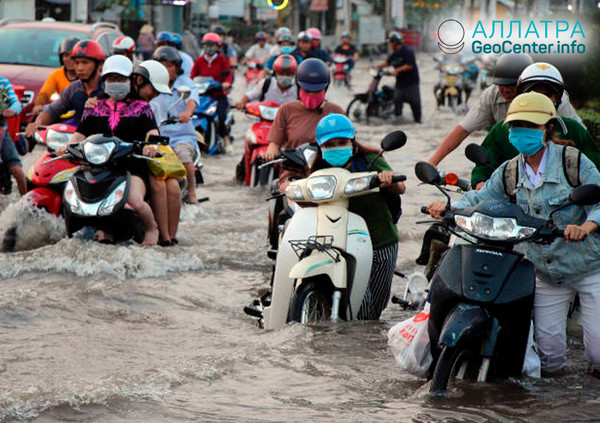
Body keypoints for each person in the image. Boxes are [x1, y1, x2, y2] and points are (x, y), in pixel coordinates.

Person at [428, 92, 600, 377]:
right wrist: (448, 207)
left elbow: (598, 199)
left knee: (597, 355)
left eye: (530, 126)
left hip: (588, 267)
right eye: (515, 126)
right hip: (544, 272)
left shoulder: (573, 162)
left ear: (548, 128)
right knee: (550, 359)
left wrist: (585, 227)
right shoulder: (508, 171)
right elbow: (481, 198)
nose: (521, 132)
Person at [312, 113, 405, 319]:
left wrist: (388, 180)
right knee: (360, 310)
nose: (337, 147)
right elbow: (307, 199)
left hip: (381, 241)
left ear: (352, 141)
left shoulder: (371, 161)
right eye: (330, 144)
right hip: (343, 246)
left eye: (342, 142)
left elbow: (401, 188)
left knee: (375, 312)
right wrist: (288, 187)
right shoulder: (318, 171)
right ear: (320, 147)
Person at [61, 55, 160, 245]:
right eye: (111, 79)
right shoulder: (93, 106)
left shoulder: (142, 107)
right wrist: (66, 147)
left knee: (135, 201)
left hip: (131, 165)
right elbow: (80, 134)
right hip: (97, 166)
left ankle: (151, 227)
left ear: (130, 80)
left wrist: (152, 146)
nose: (115, 83)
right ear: (104, 81)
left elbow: (152, 132)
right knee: (71, 192)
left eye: (120, 79)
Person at [428, 53, 584, 167]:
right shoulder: (492, 96)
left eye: (511, 85)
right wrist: (433, 162)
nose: (505, 90)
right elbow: (463, 129)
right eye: (501, 85)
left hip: (550, 162)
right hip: (508, 164)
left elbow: (580, 138)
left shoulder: (552, 100)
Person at [471, 62, 600, 189]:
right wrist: (480, 183)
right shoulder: (501, 131)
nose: (539, 100)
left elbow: (594, 168)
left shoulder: (573, 129)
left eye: (546, 95)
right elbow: (483, 169)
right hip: (511, 205)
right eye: (532, 93)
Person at [263, 58, 345, 184]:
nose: (311, 95)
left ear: (326, 88)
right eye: (307, 91)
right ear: (298, 87)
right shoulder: (286, 110)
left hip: (329, 175)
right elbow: (274, 144)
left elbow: (350, 145)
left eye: (317, 91)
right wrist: (270, 154)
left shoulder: (337, 112)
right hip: (293, 176)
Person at [131, 60, 183, 246]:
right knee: (158, 185)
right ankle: (161, 235)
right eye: (152, 89)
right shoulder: (120, 102)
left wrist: (151, 145)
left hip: (148, 156)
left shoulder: (147, 106)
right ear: (138, 81)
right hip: (131, 160)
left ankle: (170, 238)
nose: (154, 95)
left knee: (174, 187)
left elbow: (153, 131)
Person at [152, 45, 204, 205]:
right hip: (158, 136)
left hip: (182, 135)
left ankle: (192, 193)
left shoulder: (185, 83)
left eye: (169, 66)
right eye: (162, 65)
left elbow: (192, 100)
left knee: (184, 157)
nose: (166, 70)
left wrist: (187, 114)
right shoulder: (151, 84)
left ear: (177, 68)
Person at [25, 40, 106, 138]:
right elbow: (52, 110)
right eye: (76, 63)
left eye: (85, 63)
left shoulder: (107, 87)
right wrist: (37, 125)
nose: (80, 68)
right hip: (77, 139)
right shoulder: (73, 88)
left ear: (100, 65)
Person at [190, 33, 234, 154]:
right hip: (202, 96)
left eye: (212, 45)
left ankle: (226, 141)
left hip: (218, 96)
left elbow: (228, 75)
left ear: (218, 47)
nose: (209, 48)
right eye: (207, 45)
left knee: (220, 116)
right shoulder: (199, 61)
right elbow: (192, 76)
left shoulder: (222, 60)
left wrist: (225, 84)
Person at [372, 31, 421, 123]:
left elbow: (409, 65)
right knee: (397, 100)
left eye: (390, 43)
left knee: (415, 104)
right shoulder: (395, 53)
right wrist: (376, 66)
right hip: (400, 83)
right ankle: (398, 121)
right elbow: (387, 63)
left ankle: (418, 122)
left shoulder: (408, 52)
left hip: (411, 83)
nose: (389, 45)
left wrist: (396, 70)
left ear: (394, 43)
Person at [33, 36, 80, 113]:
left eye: (72, 56)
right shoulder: (57, 74)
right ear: (61, 58)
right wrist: (39, 104)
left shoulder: (86, 75)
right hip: (61, 113)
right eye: (66, 55)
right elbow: (44, 93)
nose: (69, 59)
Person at [0, 77, 27, 195]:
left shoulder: (3, 83)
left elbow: (16, 103)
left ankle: (26, 202)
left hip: (2, 131)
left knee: (17, 170)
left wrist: (11, 110)